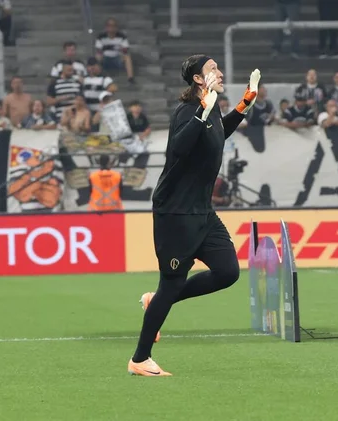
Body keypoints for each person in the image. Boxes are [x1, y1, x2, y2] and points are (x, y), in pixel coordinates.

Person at [127, 54, 261, 377]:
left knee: (228, 271)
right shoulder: (187, 111)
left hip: (202, 211)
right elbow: (181, 146)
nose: (219, 71)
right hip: (175, 212)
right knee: (171, 285)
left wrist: (244, 103)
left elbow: (218, 133)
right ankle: (140, 359)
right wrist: (202, 110)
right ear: (199, 80)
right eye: (212, 69)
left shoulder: (211, 109)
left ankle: (156, 300)